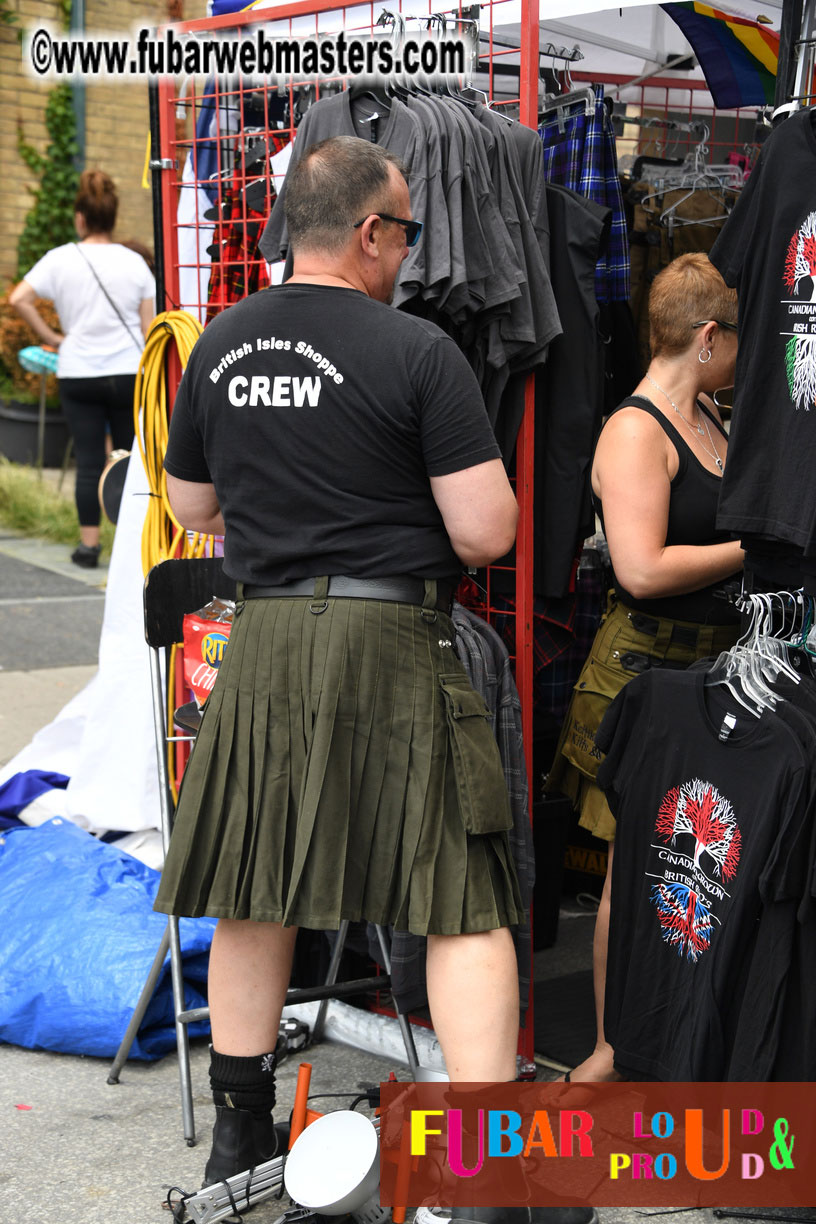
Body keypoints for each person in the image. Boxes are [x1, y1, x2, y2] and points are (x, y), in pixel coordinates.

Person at [152, 137, 592, 1224]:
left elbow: (192, 506)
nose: (407, 254)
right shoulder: (416, 350)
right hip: (391, 638)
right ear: (367, 232)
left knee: (254, 886)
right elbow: (487, 532)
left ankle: (240, 1137)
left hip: (264, 642)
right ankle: (486, 1180)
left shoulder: (221, 341)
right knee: (460, 902)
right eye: (404, 234)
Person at [546, 252, 744, 1084]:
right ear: (708, 336)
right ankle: (608, 1050)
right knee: (634, 872)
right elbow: (642, 568)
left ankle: (682, 1039)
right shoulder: (636, 431)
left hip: (713, 669)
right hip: (642, 675)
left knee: (697, 862)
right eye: (735, 341)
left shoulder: (709, 414)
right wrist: (753, 547)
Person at [10, 170, 155, 568]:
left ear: (80, 217)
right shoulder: (134, 263)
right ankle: (130, 548)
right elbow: (149, 329)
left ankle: (89, 548)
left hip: (78, 371)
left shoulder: (59, 259)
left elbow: (19, 298)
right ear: (113, 215)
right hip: (128, 372)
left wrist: (54, 337)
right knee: (129, 460)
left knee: (90, 461)